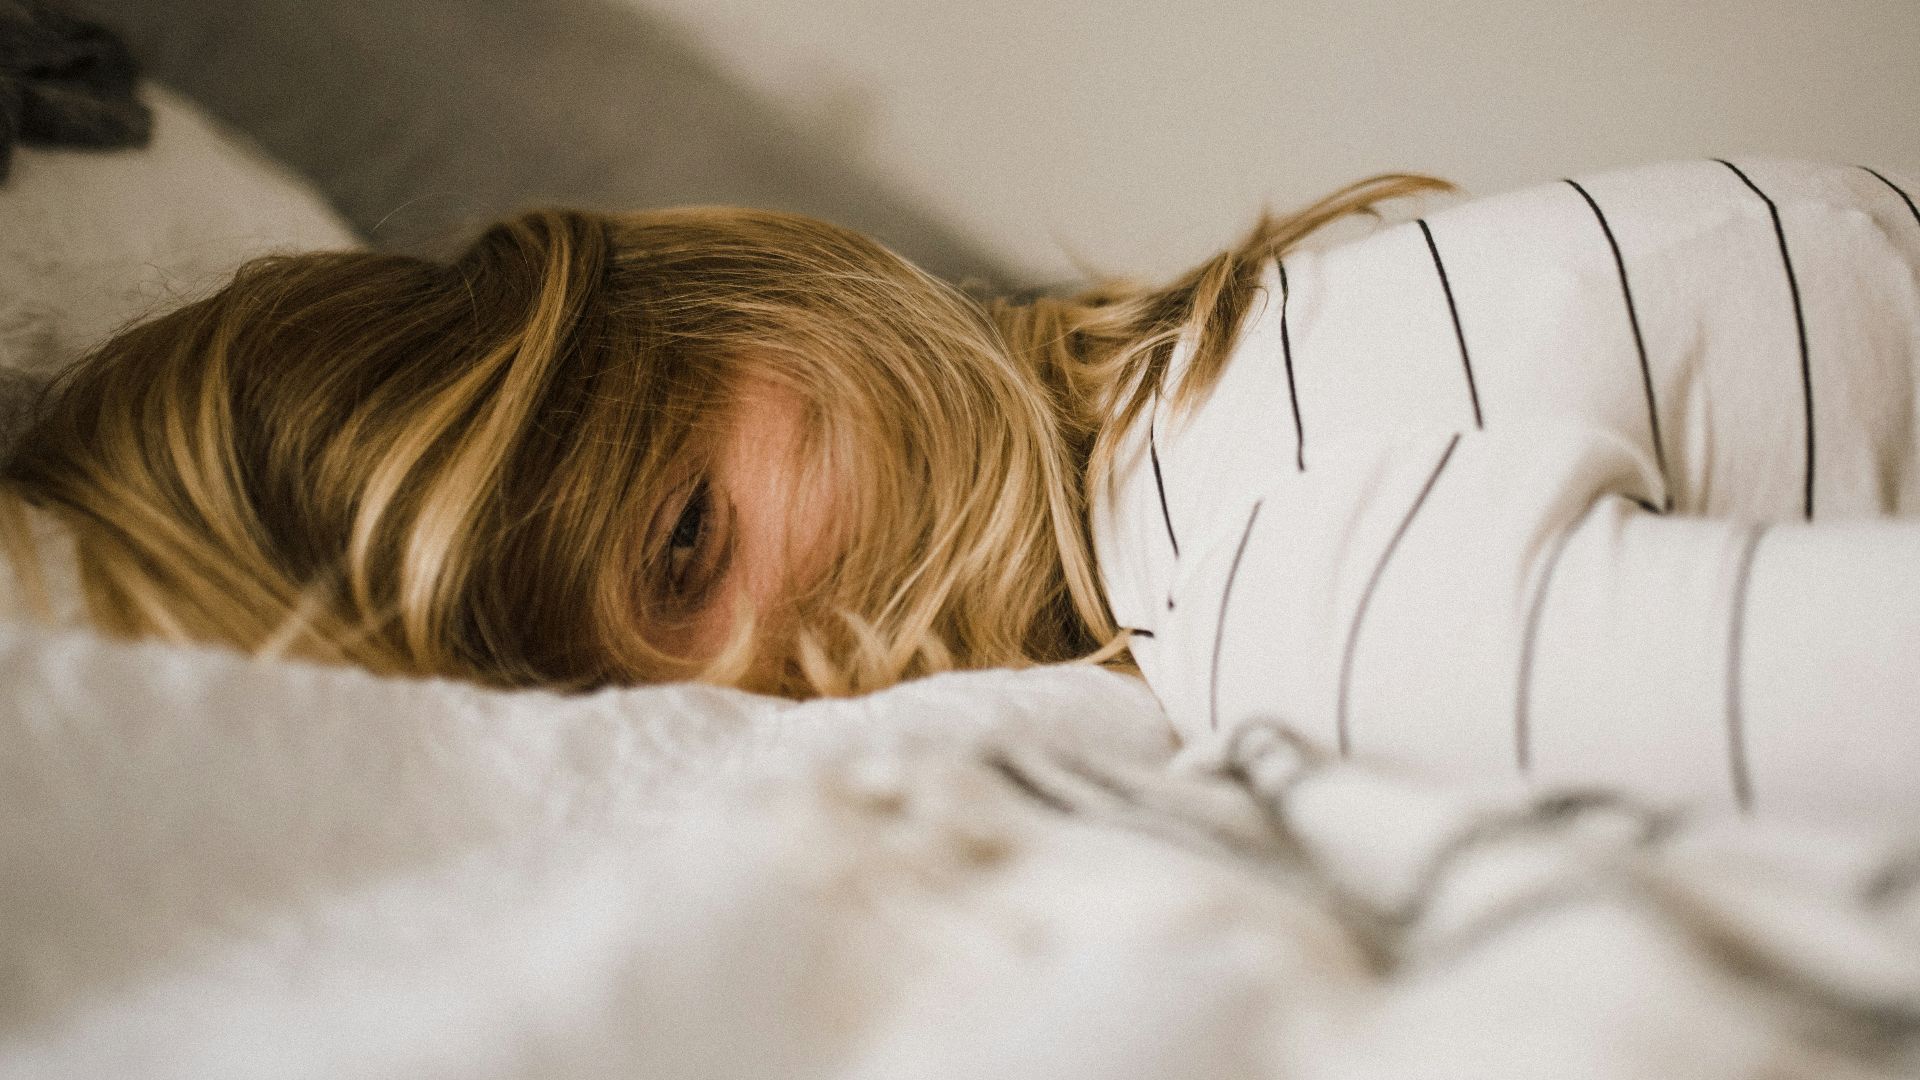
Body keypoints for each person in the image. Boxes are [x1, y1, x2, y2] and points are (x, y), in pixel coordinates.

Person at [1, 161, 1916, 817]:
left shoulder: (1272, 576)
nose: (776, 690)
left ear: (747, 289)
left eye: (686, 542)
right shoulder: (1224, 385)